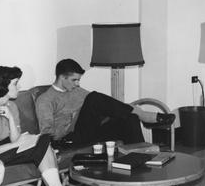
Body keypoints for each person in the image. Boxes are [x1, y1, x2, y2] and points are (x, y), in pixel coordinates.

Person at [0, 66, 92, 186]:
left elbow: (15, 139)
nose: (19, 87)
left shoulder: (11, 105)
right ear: (3, 86)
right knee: (44, 143)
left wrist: (10, 118)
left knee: (44, 140)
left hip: (6, 148)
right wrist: (14, 145)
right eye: (15, 83)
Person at [36, 59, 175, 146]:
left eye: (79, 80)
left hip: (90, 131)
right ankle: (146, 117)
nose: (78, 84)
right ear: (62, 77)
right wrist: (71, 119)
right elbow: (48, 134)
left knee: (129, 117)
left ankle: (138, 162)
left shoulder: (75, 90)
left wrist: (128, 109)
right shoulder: (45, 99)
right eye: (74, 80)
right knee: (94, 97)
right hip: (69, 138)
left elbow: (104, 105)